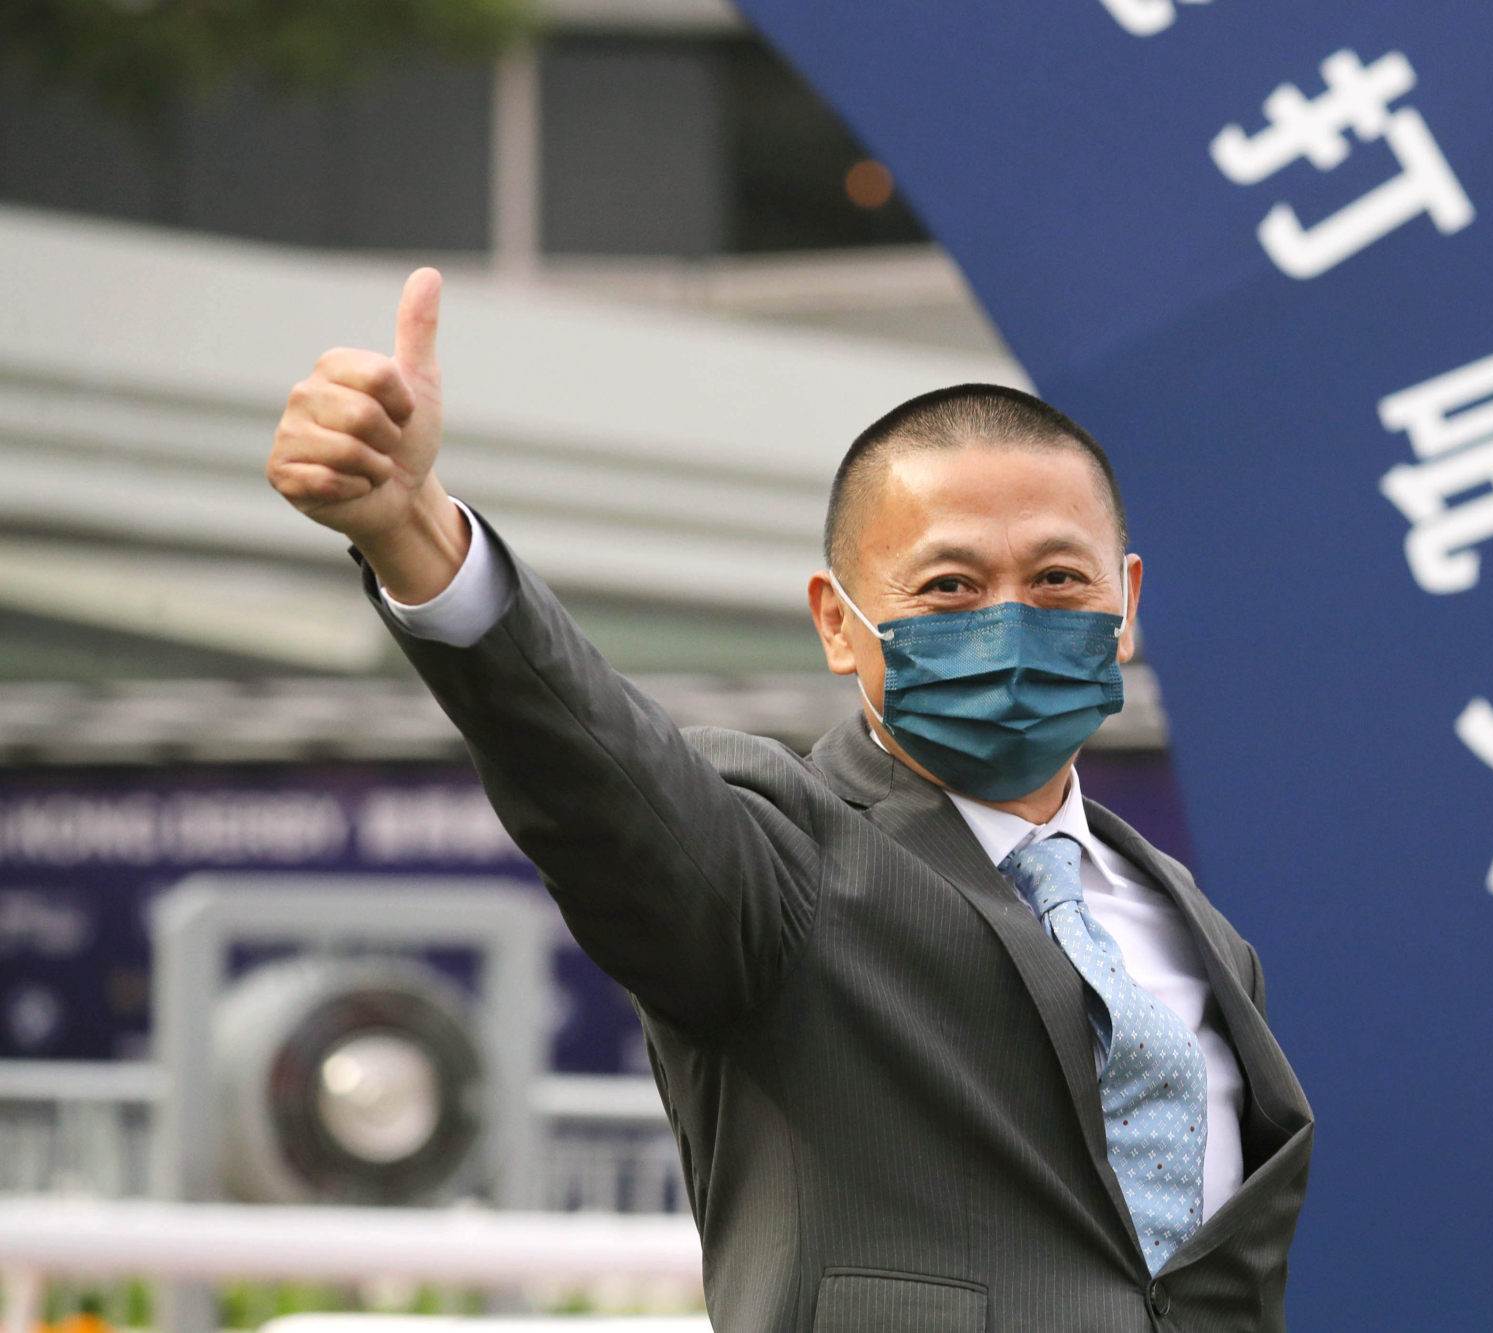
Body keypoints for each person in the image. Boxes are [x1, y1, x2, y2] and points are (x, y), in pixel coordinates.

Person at [268, 268, 1312, 1332]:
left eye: (1056, 579)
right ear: (836, 620)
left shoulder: (1188, 924)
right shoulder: (780, 864)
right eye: (949, 586)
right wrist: (420, 540)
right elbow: (595, 778)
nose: (1010, 621)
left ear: (1125, 606)